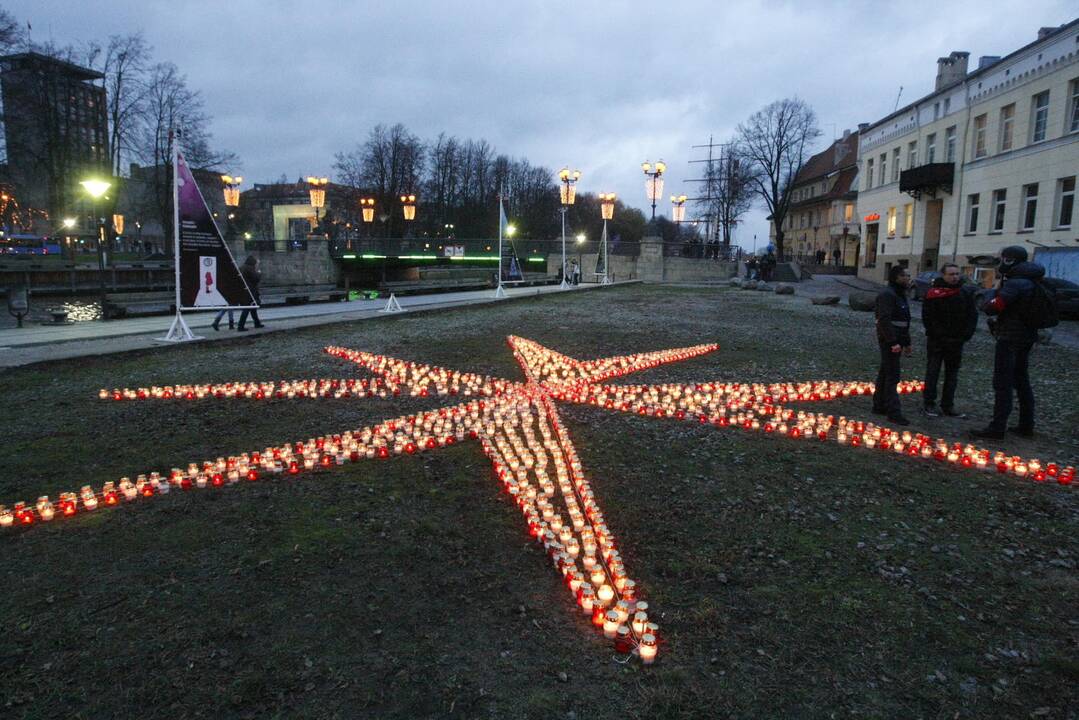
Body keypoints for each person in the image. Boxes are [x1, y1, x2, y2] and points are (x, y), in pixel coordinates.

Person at [972, 246, 1049, 439]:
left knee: (1003, 382)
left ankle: (997, 428)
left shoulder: (1015, 283)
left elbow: (992, 308)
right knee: (1021, 379)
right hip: (1026, 336)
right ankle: (1026, 424)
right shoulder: (1033, 279)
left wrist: (991, 294)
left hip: (1010, 337)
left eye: (1002, 259)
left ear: (1009, 260)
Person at [921, 264, 978, 417]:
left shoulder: (964, 293)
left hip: (956, 341)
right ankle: (929, 403)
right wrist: (937, 334)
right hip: (937, 341)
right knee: (933, 371)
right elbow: (928, 317)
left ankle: (948, 404)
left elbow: (972, 316)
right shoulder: (934, 294)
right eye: (951, 274)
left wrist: (966, 334)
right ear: (943, 275)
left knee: (952, 374)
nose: (955, 277)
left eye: (957, 274)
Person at [873, 265, 913, 425]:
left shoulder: (900, 294)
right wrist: (893, 341)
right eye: (905, 275)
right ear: (896, 277)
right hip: (890, 339)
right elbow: (884, 319)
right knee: (892, 375)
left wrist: (907, 342)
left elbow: (905, 320)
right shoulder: (887, 295)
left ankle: (879, 404)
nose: (908, 278)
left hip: (898, 338)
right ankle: (893, 411)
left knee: (885, 371)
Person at [236, 256, 265, 331]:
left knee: (253, 307)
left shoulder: (241, 267)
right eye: (256, 263)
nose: (256, 264)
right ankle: (240, 326)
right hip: (250, 291)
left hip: (243, 290)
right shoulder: (250, 268)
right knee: (248, 308)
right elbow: (255, 279)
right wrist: (259, 273)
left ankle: (257, 323)